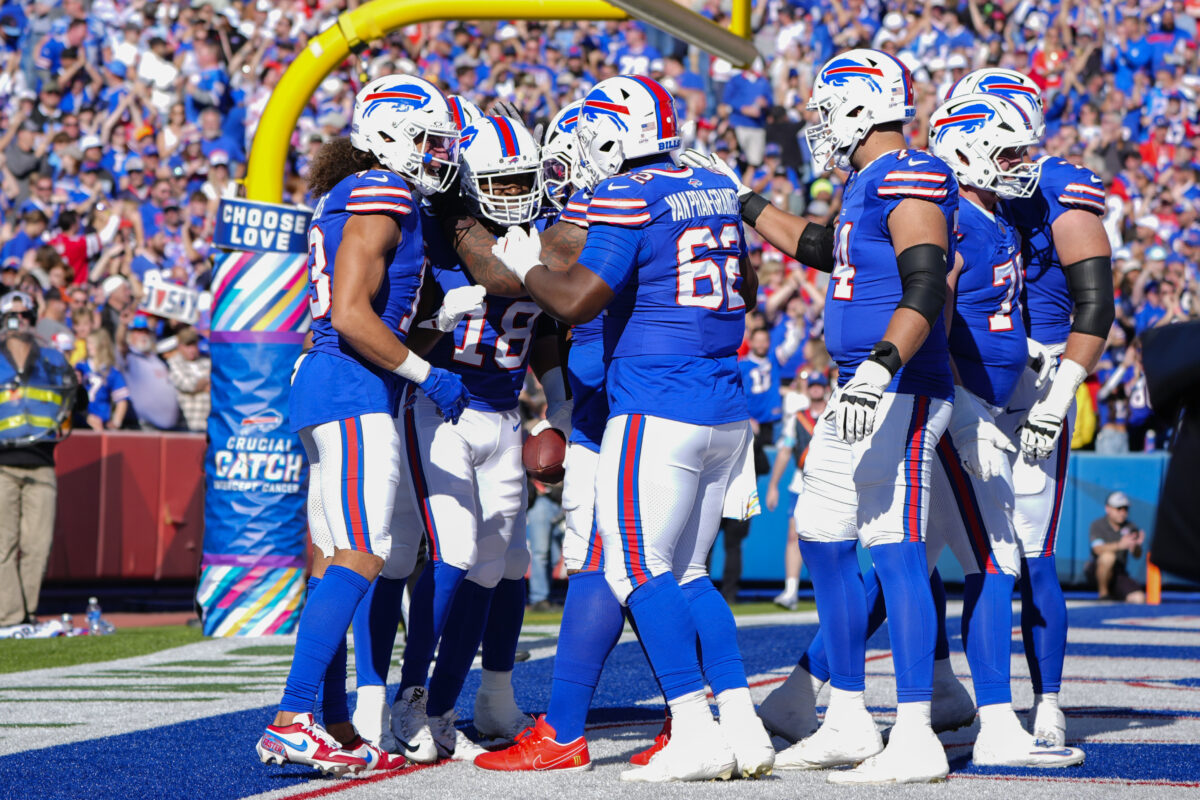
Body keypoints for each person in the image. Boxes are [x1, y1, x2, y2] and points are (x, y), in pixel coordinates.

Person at [490, 74, 774, 782]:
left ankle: (644, 726)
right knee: (686, 572)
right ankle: (736, 722)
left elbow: (575, 290)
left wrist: (521, 252)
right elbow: (744, 286)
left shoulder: (619, 197)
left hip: (643, 408)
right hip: (717, 398)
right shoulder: (708, 186)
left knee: (620, 566)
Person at [686, 49, 957, 784]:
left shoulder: (909, 171)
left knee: (894, 547)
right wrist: (743, 199)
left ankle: (915, 731)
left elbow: (927, 280)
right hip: (862, 385)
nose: (820, 123)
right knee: (823, 532)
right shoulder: (869, 182)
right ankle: (845, 715)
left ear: (863, 106)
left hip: (896, 386)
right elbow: (818, 245)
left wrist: (882, 364)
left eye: (828, 107)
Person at [256, 74, 467, 778]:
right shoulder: (384, 191)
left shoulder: (358, 193)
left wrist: (434, 324)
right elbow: (349, 313)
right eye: (431, 140)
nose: (440, 154)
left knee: (334, 560)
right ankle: (292, 718)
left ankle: (336, 722)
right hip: (350, 390)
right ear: (391, 134)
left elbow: (367, 309)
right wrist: (424, 372)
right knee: (363, 555)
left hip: (337, 388)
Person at [370, 114, 569, 763]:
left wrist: (557, 401)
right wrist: (437, 317)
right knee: (447, 553)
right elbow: (402, 339)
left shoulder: (537, 232)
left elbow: (538, 324)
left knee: (496, 563)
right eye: (499, 181)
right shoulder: (437, 234)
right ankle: (406, 693)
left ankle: (445, 706)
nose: (512, 193)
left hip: (506, 414)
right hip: (440, 405)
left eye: (522, 180)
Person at [953, 68, 1116, 749]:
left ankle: (1047, 700)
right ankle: (938, 688)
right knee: (953, 550)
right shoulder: (955, 190)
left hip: (1041, 376)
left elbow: (1096, 302)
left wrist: (1066, 386)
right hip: (970, 380)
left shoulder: (1058, 185)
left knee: (1033, 553)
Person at [0, 292, 76, 627]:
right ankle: (9, 617)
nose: (20, 324)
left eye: (26, 316)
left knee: (37, 545)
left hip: (42, 460)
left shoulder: (53, 361)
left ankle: (26, 615)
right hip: (2, 462)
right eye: (13, 317)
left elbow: (76, 398)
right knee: (3, 544)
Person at [764, 370, 828, 610]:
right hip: (801, 482)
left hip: (828, 482)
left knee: (828, 538)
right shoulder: (797, 418)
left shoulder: (833, 413)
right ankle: (790, 591)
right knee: (794, 536)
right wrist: (773, 485)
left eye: (819, 386)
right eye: (812, 386)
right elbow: (785, 450)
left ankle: (827, 589)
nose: (815, 389)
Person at [117, 316, 180, 431]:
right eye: (138, 331)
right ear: (129, 335)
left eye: (146, 331)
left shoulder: (157, 358)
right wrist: (123, 326)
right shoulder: (129, 356)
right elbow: (120, 345)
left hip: (168, 427)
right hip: (142, 426)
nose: (143, 335)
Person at [1086, 491, 1146, 603]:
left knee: (1139, 598)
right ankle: (1103, 594)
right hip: (1096, 571)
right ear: (1107, 508)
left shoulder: (1131, 527)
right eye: (1119, 509)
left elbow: (1137, 555)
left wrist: (1137, 546)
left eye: (1125, 509)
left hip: (1118, 573)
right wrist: (1120, 545)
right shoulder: (1098, 525)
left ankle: (1115, 593)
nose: (1122, 513)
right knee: (1108, 557)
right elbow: (1097, 549)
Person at [76, 328, 128, 430]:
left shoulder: (112, 371)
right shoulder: (80, 366)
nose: (88, 346)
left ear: (101, 344)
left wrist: (116, 423)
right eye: (88, 343)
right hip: (79, 421)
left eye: (91, 343)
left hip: (100, 424)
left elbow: (122, 399)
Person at [166, 326, 210, 432]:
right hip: (189, 424)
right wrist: (207, 380)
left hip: (209, 424)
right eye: (188, 345)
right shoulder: (174, 363)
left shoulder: (206, 361)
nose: (192, 349)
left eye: (194, 345)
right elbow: (188, 385)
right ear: (180, 346)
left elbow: (218, 384)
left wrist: (201, 384)